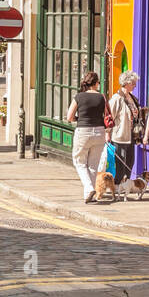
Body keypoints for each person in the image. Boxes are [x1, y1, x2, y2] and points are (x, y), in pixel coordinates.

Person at [66, 72, 108, 204]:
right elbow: (107, 115)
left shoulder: (79, 97)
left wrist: (80, 118)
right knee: (93, 165)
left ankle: (89, 188)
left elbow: (69, 117)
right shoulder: (102, 97)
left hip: (83, 131)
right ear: (96, 83)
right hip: (100, 132)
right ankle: (88, 195)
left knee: (79, 162)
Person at [109, 70, 141, 185]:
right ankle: (117, 185)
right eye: (133, 83)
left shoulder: (132, 97)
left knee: (130, 162)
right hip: (120, 136)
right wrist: (107, 134)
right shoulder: (117, 98)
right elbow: (109, 117)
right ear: (126, 83)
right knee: (120, 164)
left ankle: (125, 185)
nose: (135, 85)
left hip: (132, 135)